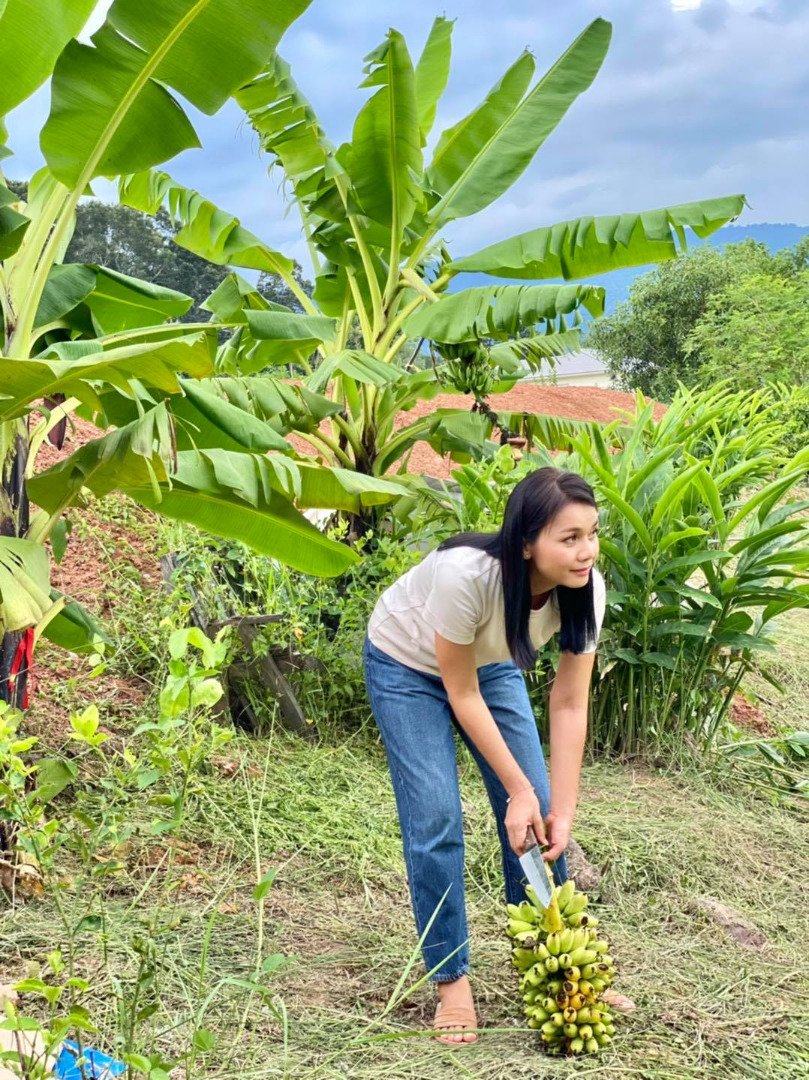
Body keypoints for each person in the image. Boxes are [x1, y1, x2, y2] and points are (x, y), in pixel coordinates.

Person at [362, 466, 606, 1046]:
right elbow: (459, 691)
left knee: (540, 813)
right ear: (527, 542)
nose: (586, 551)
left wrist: (559, 808)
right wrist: (515, 788)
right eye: (569, 539)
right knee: (437, 817)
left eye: (592, 534)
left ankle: (560, 964)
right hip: (405, 662)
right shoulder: (465, 576)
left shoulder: (586, 590)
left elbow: (570, 704)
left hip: (486, 662)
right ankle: (451, 979)